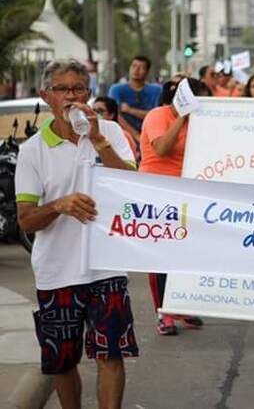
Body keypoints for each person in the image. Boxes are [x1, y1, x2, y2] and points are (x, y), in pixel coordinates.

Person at [16, 59, 138, 408]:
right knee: (62, 361)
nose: (71, 96)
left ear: (89, 93)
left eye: (78, 89)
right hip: (57, 273)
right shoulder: (32, 151)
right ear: (46, 96)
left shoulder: (110, 133)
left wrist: (98, 139)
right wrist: (58, 206)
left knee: (110, 354)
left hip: (108, 267)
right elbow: (26, 220)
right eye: (62, 89)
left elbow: (132, 186)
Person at [140, 77, 212, 335]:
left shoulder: (201, 122)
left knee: (186, 254)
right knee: (161, 256)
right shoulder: (158, 116)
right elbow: (161, 149)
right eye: (201, 99)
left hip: (188, 193)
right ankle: (164, 313)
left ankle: (181, 306)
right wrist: (181, 117)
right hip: (158, 193)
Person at [108, 55, 162, 142]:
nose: (136, 70)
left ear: (147, 71)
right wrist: (136, 135)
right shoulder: (116, 89)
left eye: (141, 67)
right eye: (134, 66)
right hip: (123, 136)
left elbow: (155, 115)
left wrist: (130, 110)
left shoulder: (156, 90)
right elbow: (115, 115)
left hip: (151, 136)